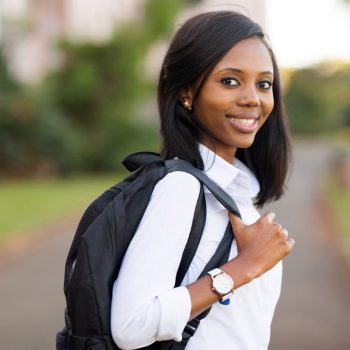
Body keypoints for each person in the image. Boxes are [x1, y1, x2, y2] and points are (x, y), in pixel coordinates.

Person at [110, 11, 294, 350]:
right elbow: (130, 324)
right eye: (230, 81)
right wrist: (244, 267)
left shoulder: (235, 192)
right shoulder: (181, 189)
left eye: (263, 84)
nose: (252, 98)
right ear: (187, 93)